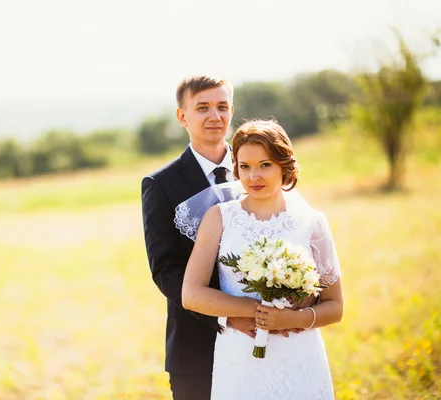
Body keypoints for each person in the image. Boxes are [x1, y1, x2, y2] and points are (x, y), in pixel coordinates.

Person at [180, 119, 344, 399]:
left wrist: (295, 318)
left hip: (300, 356)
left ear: (284, 165)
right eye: (244, 166)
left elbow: (335, 307)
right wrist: (257, 310)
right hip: (240, 359)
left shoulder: (312, 222)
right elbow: (191, 294)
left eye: (265, 164)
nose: (253, 176)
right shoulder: (219, 218)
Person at [141, 76, 258, 399]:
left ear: (231, 110)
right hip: (197, 347)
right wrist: (226, 314)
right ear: (183, 117)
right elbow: (165, 269)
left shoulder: (257, 169)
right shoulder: (160, 184)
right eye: (202, 108)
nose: (214, 116)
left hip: (265, 335)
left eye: (222, 107)